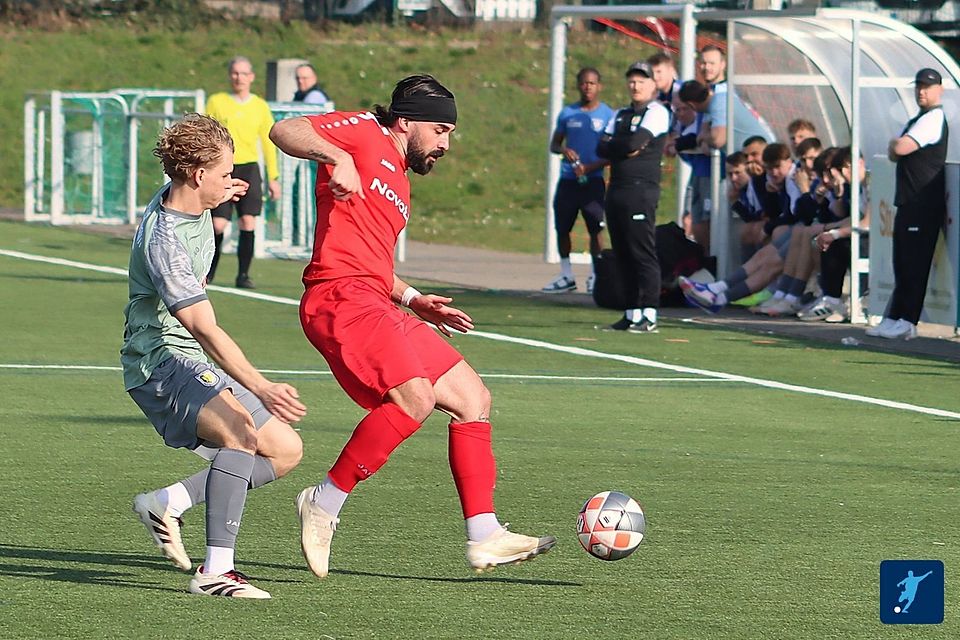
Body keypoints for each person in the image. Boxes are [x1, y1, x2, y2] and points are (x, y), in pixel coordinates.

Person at [268, 74, 556, 578]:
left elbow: (374, 262)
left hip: (376, 299)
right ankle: (324, 502)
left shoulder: (399, 180)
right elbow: (284, 129)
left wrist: (415, 298)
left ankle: (484, 533)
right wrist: (336, 158)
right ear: (406, 121)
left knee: (472, 398)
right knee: (415, 397)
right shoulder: (363, 132)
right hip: (338, 297)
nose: (445, 144)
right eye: (440, 130)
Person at [124, 114, 306, 599]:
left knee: (286, 451)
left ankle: (168, 502)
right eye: (225, 172)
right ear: (197, 174)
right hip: (160, 362)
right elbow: (204, 330)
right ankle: (215, 572)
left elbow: (199, 194)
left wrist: (217, 194)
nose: (232, 179)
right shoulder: (165, 241)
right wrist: (263, 385)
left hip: (186, 359)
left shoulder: (193, 199)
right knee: (241, 435)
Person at [868, 67, 948, 340]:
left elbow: (900, 149)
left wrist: (895, 143)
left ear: (940, 89)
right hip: (909, 201)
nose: (922, 91)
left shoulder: (934, 118)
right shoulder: (919, 118)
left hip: (923, 202)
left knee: (914, 264)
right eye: (919, 86)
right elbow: (895, 153)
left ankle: (907, 320)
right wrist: (896, 145)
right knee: (902, 263)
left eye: (927, 86)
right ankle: (893, 317)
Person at [596, 61, 671, 333]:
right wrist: (624, 147)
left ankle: (648, 313)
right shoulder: (619, 114)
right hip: (617, 187)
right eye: (632, 81)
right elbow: (602, 147)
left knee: (641, 251)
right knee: (622, 252)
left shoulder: (657, 112)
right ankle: (631, 312)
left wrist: (624, 146)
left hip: (641, 189)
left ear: (653, 84)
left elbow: (632, 143)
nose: (636, 85)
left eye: (642, 80)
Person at [206, 56, 282, 289]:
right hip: (222, 169)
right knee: (218, 224)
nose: (239, 78)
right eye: (235, 73)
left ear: (251, 77)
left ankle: (243, 275)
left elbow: (269, 142)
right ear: (230, 76)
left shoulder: (259, 106)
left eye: (244, 73)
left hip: (249, 169)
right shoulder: (217, 102)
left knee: (248, 222)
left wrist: (273, 177)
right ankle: (208, 273)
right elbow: (207, 133)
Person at [542, 67, 614, 294]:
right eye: (584, 83)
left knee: (596, 228)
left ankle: (596, 275)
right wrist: (564, 150)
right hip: (568, 180)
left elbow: (612, 153)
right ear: (578, 85)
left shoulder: (608, 115)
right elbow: (554, 144)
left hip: (593, 181)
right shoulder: (567, 114)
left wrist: (590, 167)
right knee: (562, 227)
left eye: (592, 83)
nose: (587, 87)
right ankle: (566, 275)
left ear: (599, 86)